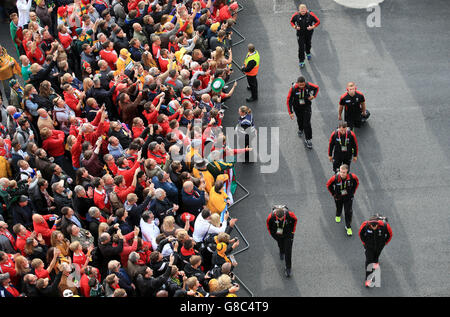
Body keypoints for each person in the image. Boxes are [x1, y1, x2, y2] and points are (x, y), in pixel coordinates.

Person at [358, 214, 393, 287]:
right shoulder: (365, 225)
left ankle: (376, 261)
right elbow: (360, 234)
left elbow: (390, 234)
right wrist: (365, 243)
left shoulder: (385, 226)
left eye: (375, 226)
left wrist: (385, 242)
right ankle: (368, 279)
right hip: (369, 247)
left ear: (378, 223)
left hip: (379, 246)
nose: (373, 228)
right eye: (371, 226)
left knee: (377, 255)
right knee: (369, 260)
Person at [326, 164, 359, 236]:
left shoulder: (352, 177)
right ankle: (338, 214)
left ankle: (348, 226)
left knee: (348, 211)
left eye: (343, 172)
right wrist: (333, 194)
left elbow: (356, 183)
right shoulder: (335, 178)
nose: (341, 174)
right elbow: (328, 185)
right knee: (339, 207)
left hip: (348, 197)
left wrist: (353, 192)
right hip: (338, 197)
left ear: (347, 172)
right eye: (341, 172)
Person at [286, 76, 319, 149]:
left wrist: (313, 96)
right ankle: (300, 129)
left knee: (307, 123)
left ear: (305, 83)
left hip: (306, 106)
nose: (301, 86)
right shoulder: (293, 89)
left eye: (303, 85)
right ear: (297, 83)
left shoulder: (308, 85)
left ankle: (308, 139)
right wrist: (290, 112)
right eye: (300, 85)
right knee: (300, 120)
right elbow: (289, 100)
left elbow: (317, 87)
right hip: (297, 108)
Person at [266, 205, 297, 277]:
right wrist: (273, 236)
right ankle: (281, 251)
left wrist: (293, 232)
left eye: (282, 218)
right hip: (278, 235)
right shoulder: (271, 217)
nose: (280, 220)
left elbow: (295, 220)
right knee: (281, 245)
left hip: (288, 234)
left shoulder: (290, 215)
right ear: (276, 215)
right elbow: (268, 226)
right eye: (278, 218)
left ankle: (288, 268)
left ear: (284, 214)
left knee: (288, 251)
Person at [290, 4, 320, 68]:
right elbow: (291, 21)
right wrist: (295, 27)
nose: (303, 12)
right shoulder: (296, 15)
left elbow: (318, 21)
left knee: (308, 44)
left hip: (308, 33)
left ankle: (308, 52)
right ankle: (301, 61)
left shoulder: (311, 14)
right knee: (301, 48)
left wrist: (312, 27)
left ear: (306, 10)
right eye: (302, 11)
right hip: (300, 34)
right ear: (299, 10)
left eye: (304, 11)